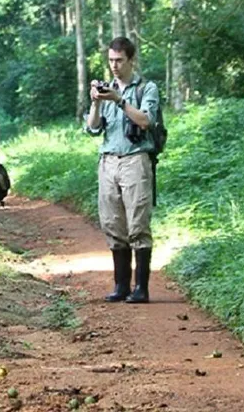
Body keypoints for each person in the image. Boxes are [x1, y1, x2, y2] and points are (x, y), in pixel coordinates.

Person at [85, 36, 161, 304]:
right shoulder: (108, 90)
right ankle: (121, 285)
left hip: (135, 159)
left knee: (138, 222)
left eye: (119, 60)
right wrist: (96, 101)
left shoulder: (146, 88)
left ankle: (141, 287)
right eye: (110, 60)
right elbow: (93, 128)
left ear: (131, 60)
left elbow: (145, 120)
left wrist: (119, 100)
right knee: (112, 222)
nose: (114, 66)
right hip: (108, 160)